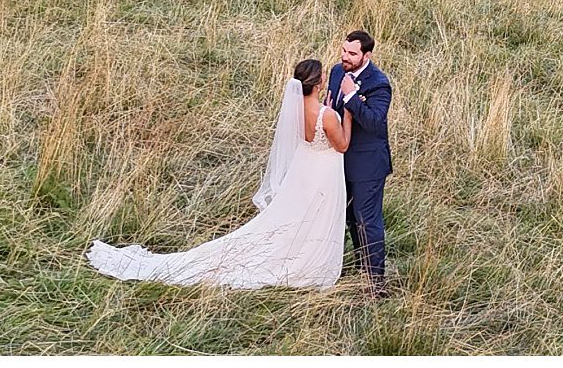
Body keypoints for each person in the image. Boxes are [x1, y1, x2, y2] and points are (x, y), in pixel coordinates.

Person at [86, 58, 347, 289]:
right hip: (322, 171)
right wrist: (348, 113)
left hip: (303, 169)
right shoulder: (327, 116)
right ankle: (309, 260)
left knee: (299, 214)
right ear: (317, 82)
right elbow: (343, 144)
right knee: (316, 215)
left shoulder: (296, 109)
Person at [326, 29, 393, 295]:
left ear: (366, 55)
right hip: (339, 158)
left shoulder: (379, 83)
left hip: (368, 164)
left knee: (368, 220)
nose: (345, 57)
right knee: (350, 218)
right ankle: (359, 264)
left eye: (352, 54)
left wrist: (353, 97)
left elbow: (375, 122)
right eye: (344, 51)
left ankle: (376, 281)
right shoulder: (335, 71)